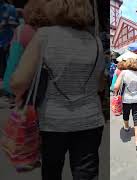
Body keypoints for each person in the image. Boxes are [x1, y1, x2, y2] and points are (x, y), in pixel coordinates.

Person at [10, 0, 105, 179]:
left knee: (52, 172)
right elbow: (100, 85)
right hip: (90, 121)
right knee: (86, 174)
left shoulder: (44, 36)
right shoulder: (96, 41)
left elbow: (18, 82)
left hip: (53, 123)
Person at [113, 58, 137, 151]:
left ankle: (126, 127)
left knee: (126, 114)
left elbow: (116, 86)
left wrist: (115, 94)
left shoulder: (124, 72)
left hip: (126, 100)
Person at [0, 0, 18, 79]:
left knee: (9, 68)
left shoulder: (10, 8)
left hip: (9, 42)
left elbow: (15, 25)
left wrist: (9, 22)